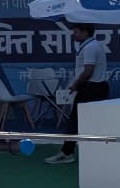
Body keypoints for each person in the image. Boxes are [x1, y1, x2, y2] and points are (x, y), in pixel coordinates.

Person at [44, 22, 109, 165]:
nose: (73, 34)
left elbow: (88, 71)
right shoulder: (92, 45)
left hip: (91, 89)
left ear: (85, 32)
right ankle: (90, 153)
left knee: (74, 122)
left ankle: (67, 154)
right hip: (95, 88)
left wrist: (75, 84)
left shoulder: (90, 47)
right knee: (87, 122)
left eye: (76, 32)